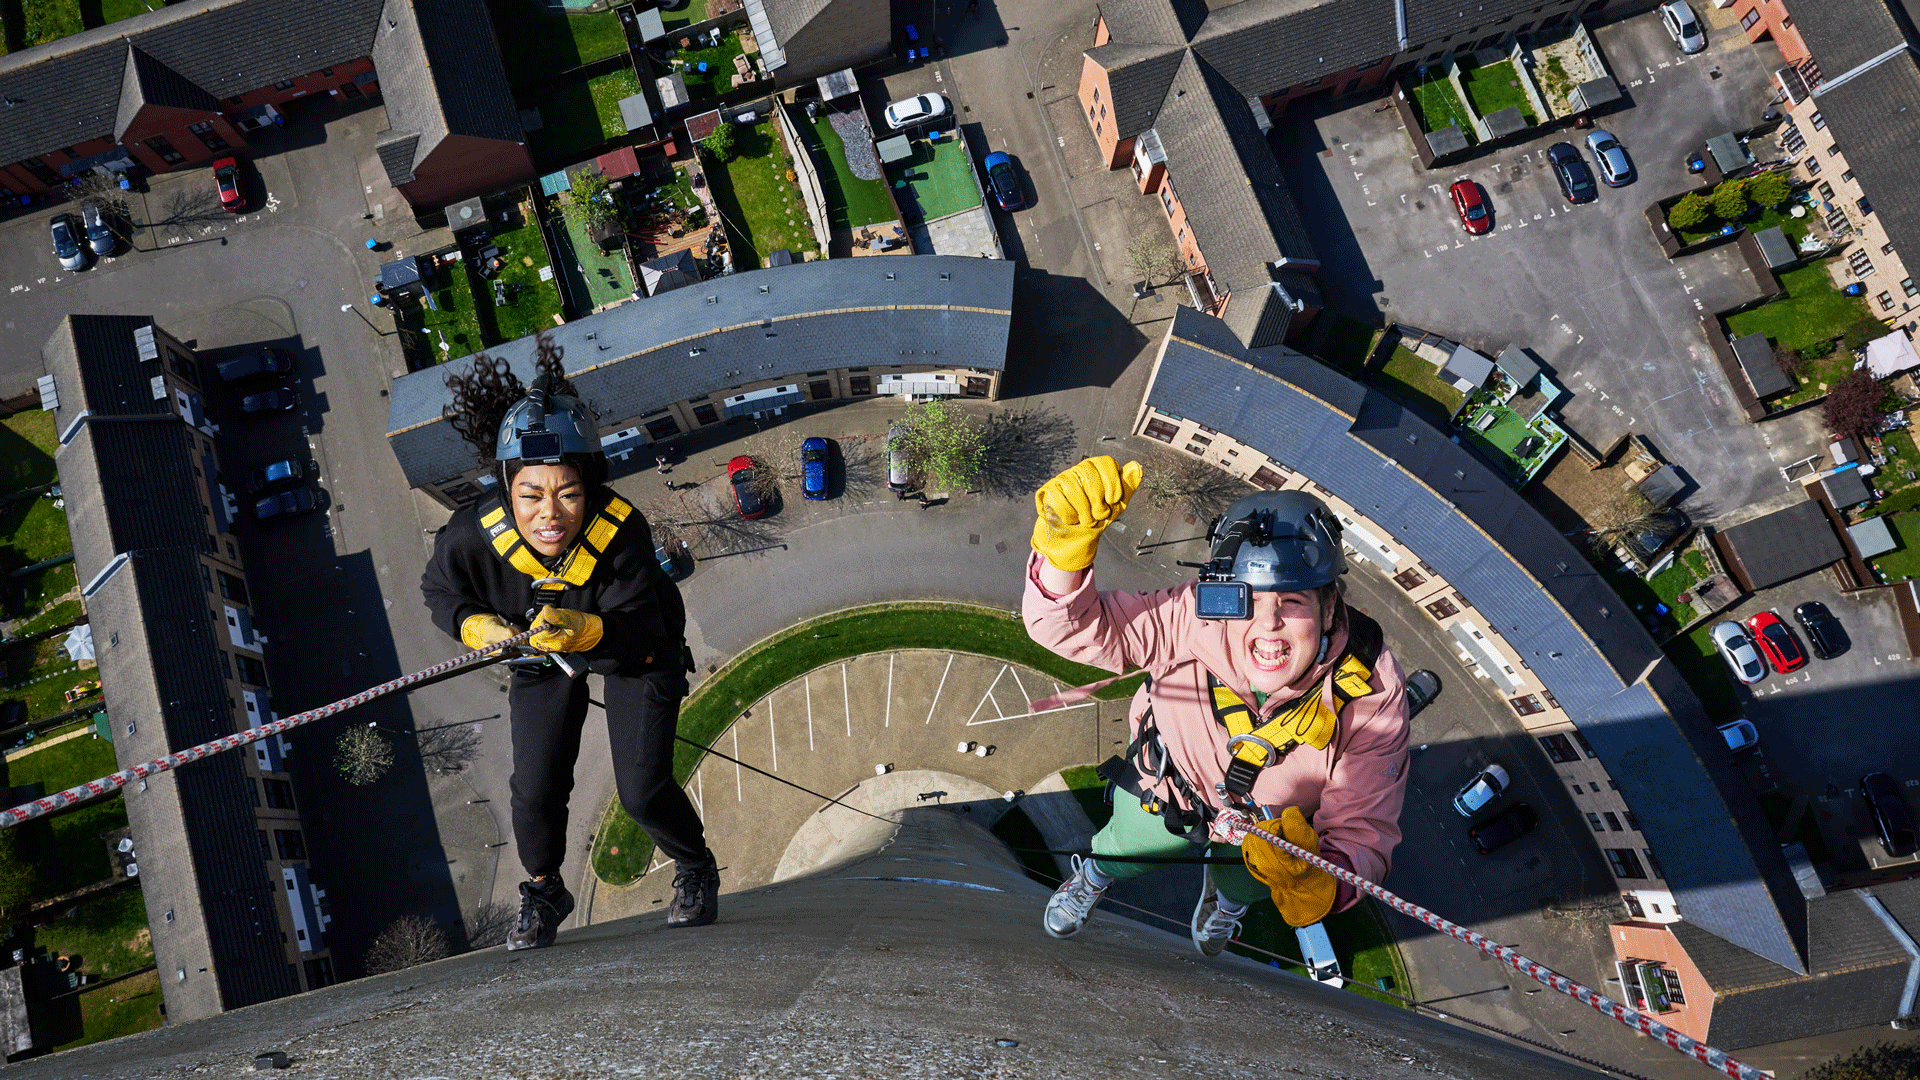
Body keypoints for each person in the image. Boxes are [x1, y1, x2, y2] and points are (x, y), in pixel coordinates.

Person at [1022, 457, 1411, 956]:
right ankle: (1096, 874)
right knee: (1125, 848)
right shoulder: (1193, 616)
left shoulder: (1370, 692)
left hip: (1265, 838)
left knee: (1250, 882)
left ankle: (1225, 903)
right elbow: (1074, 629)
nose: (1267, 623)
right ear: (1222, 595)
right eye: (1246, 598)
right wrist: (1063, 556)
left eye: (1292, 601)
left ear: (1330, 606)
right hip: (1167, 787)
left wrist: (1323, 881)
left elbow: (1363, 827)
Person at [421, 357, 718, 950]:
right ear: (507, 485)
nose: (549, 515)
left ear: (590, 487)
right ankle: (544, 887)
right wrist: (473, 625)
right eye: (529, 494)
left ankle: (695, 865)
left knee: (641, 790)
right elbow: (440, 590)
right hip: (539, 654)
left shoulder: (618, 531)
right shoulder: (473, 533)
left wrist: (587, 633)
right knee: (532, 789)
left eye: (568, 493)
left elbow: (644, 630)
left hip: (639, 650)